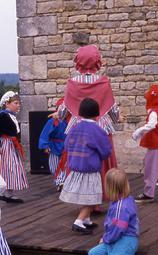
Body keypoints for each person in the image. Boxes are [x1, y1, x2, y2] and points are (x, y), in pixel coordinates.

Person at [58, 45, 119, 191]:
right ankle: (102, 193)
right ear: (97, 60)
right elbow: (113, 109)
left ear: (78, 61)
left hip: (78, 128)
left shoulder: (73, 83)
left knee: (80, 161)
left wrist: (63, 116)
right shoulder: (103, 82)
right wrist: (116, 119)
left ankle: (82, 196)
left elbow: (62, 112)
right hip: (101, 127)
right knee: (102, 160)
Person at [59, 98, 112, 235]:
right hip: (90, 169)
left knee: (85, 195)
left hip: (76, 168)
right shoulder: (97, 130)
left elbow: (66, 145)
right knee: (91, 197)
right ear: (96, 114)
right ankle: (78, 221)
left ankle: (86, 220)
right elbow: (105, 150)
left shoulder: (74, 127)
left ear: (81, 112)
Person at [88, 168, 139, 255]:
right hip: (115, 237)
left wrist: (106, 239)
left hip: (126, 239)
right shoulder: (120, 200)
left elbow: (118, 229)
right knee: (93, 253)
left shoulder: (121, 207)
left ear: (109, 187)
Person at [0, 91, 28, 203]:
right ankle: (4, 192)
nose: (18, 105)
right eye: (16, 103)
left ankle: (8, 192)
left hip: (10, 145)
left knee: (10, 168)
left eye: (18, 103)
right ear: (7, 104)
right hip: (4, 145)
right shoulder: (2, 115)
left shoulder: (10, 115)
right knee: (7, 168)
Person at [38, 98, 67, 191]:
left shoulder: (69, 120)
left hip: (66, 146)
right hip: (54, 145)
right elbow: (45, 133)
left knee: (65, 164)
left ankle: (61, 182)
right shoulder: (52, 121)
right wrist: (45, 145)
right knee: (53, 165)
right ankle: (59, 181)